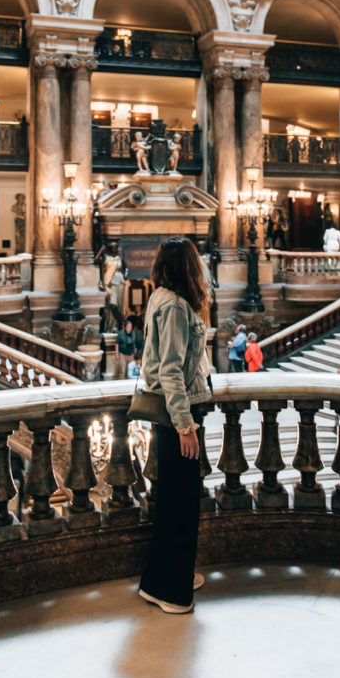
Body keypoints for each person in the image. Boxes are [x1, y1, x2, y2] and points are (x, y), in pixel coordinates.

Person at [138, 237, 211, 615]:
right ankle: (172, 590)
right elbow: (170, 370)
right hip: (176, 418)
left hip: (170, 417)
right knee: (181, 505)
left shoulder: (159, 298)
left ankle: (159, 580)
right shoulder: (177, 307)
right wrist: (186, 426)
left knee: (169, 502)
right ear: (189, 266)